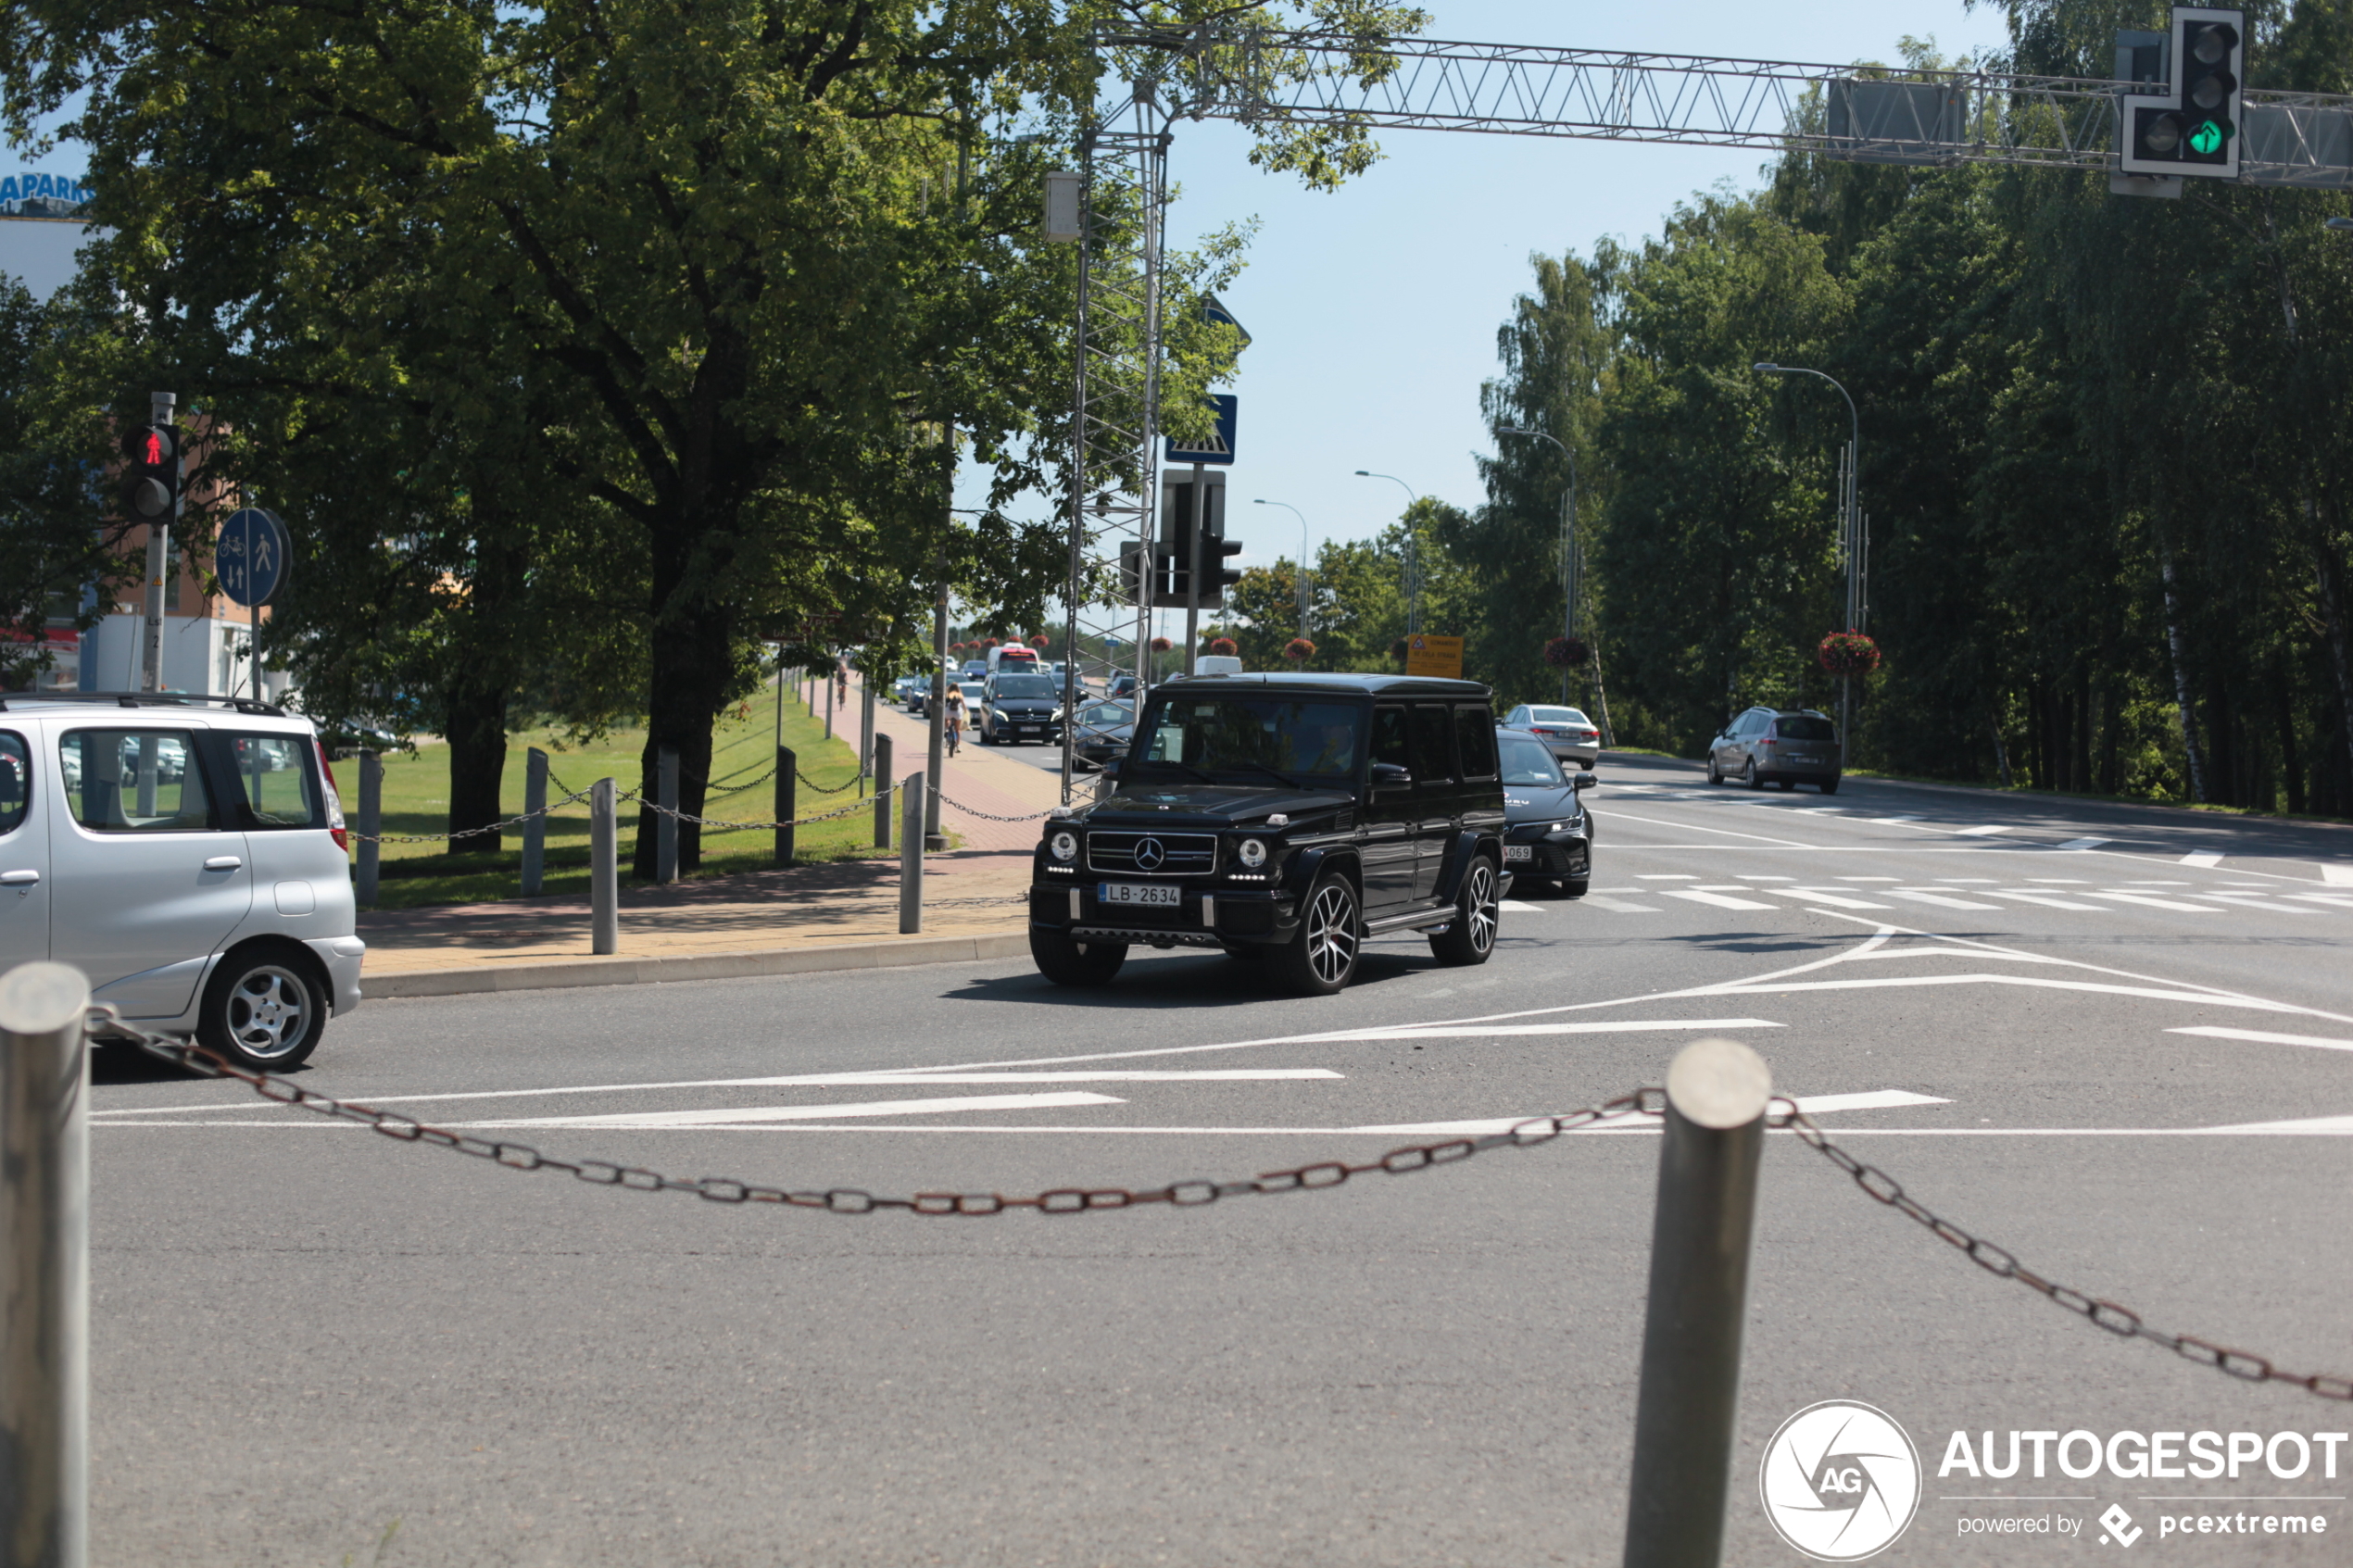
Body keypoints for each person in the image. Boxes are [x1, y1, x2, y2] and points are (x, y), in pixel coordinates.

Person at [942, 684, 966, 757]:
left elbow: (944, 704)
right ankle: (958, 745)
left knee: (946, 719)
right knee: (958, 729)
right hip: (957, 712)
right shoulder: (959, 695)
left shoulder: (947, 694)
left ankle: (946, 729)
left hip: (948, 711)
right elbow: (964, 705)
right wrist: (965, 711)